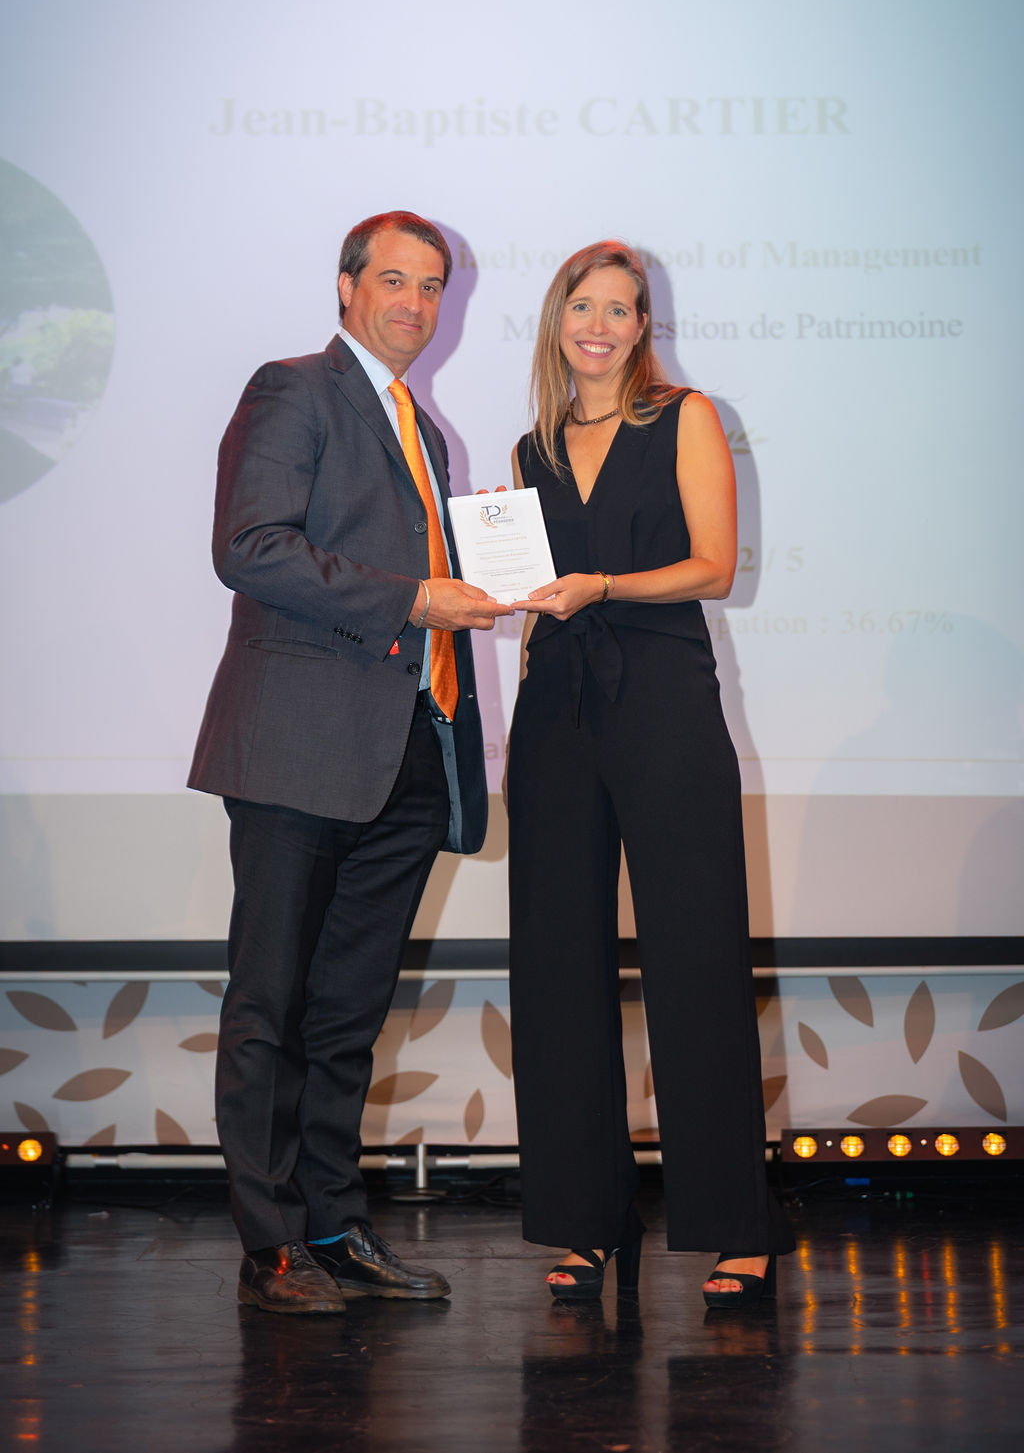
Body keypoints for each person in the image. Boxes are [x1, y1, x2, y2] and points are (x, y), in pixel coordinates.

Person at [189, 211, 512, 1313]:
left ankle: (332, 1222)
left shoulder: (428, 432)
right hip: (298, 748)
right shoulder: (293, 389)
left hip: (409, 755)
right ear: (345, 286)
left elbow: (428, 577)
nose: (415, 304)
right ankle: (271, 1242)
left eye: (431, 286)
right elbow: (250, 547)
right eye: (393, 281)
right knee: (271, 1005)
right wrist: (415, 597)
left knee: (345, 1017)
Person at [505, 240, 794, 1309]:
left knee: (695, 959)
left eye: (620, 309)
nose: (600, 325)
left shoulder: (685, 416)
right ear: (558, 319)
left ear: (642, 327)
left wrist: (600, 584)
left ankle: (735, 1228)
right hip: (554, 712)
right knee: (555, 967)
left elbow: (713, 567)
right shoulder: (531, 447)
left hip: (665, 704)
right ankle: (586, 1225)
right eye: (582, 306)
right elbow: (534, 589)